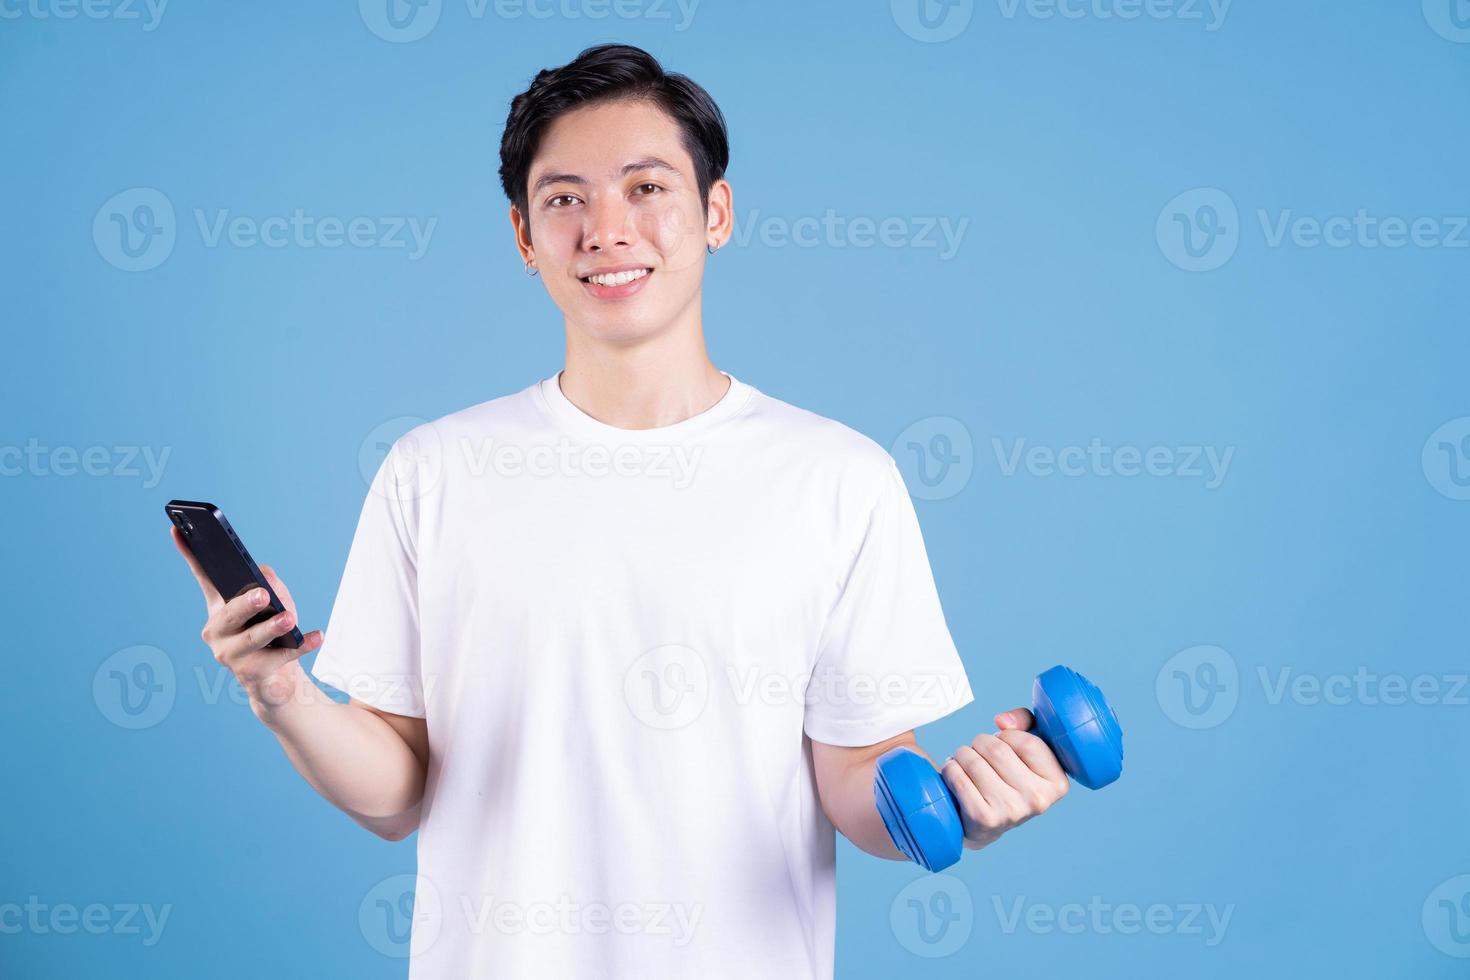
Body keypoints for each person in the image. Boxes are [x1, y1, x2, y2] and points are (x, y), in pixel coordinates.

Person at [171, 42, 1071, 980]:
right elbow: (397, 789)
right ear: (523, 237)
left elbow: (856, 784)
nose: (607, 228)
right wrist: (278, 691)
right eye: (564, 200)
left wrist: (962, 813)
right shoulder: (434, 471)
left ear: (715, 213)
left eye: (647, 188)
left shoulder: (839, 478)